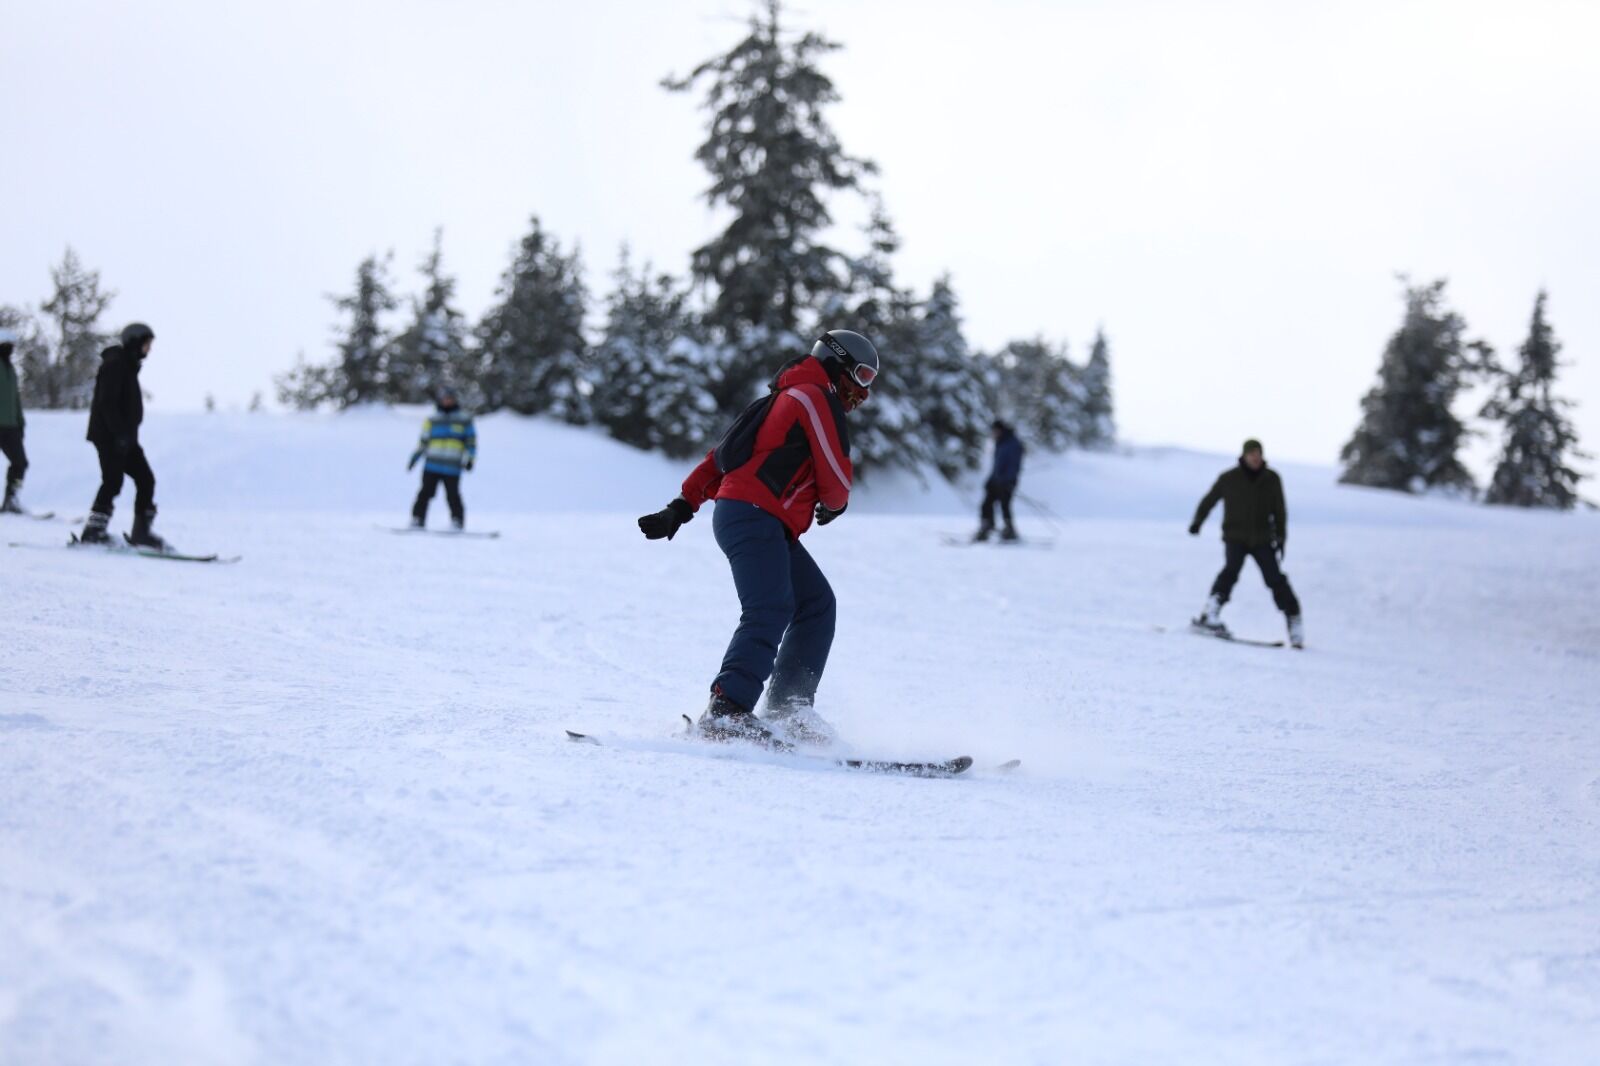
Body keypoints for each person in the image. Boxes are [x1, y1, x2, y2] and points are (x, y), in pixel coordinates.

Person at [637, 329, 880, 747]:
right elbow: (837, 475)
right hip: (754, 516)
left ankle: (790, 710)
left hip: (757, 519)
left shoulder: (779, 399)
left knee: (815, 603)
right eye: (861, 375)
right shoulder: (812, 396)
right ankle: (727, 711)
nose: (863, 390)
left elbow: (722, 458)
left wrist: (680, 507)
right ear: (836, 364)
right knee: (770, 606)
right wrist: (836, 503)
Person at [1189, 438, 1304, 647]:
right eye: (1251, 454)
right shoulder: (1229, 478)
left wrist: (1281, 537)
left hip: (1262, 539)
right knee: (1230, 571)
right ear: (1244, 455)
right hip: (1235, 537)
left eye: (1258, 453)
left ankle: (1294, 620)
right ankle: (1210, 613)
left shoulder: (1272, 479)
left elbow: (1280, 510)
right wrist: (1198, 522)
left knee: (1274, 578)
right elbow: (1210, 500)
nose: (1255, 458)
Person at [79, 323, 166, 549]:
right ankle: (93, 532)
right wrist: (119, 434)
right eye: (146, 344)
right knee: (113, 481)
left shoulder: (127, 365)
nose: (149, 349)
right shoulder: (116, 364)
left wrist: (126, 436)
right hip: (110, 436)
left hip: (125, 438)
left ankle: (141, 533)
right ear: (135, 342)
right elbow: (107, 403)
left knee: (146, 479)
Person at [408, 387, 476, 529]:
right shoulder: (432, 420)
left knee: (453, 495)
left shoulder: (464, 420)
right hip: (432, 464)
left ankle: (457, 521)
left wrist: (470, 459)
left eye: (450, 398)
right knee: (425, 493)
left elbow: (471, 442)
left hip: (452, 466)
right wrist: (415, 458)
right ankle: (417, 519)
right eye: (445, 398)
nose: (447, 401)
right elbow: (423, 442)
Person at [975, 419, 1024, 541]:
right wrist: (990, 480)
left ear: (1001, 430)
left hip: (1007, 481)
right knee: (986, 503)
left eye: (995, 431)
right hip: (996, 480)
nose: (993, 434)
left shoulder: (1013, 443)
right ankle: (987, 527)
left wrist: (1007, 480)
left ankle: (1010, 529)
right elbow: (997, 465)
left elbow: (1014, 465)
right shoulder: (1000, 443)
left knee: (1005, 505)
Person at [0, 327, 28, 514]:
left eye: (12, 346)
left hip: (10, 426)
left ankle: (11, 499)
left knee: (20, 463)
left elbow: (15, 398)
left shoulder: (11, 369)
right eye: (6, 346)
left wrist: (20, 421)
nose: (10, 349)